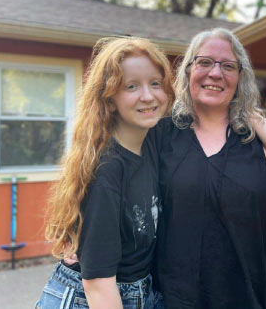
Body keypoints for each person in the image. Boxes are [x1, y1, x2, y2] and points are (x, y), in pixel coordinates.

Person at [153, 28, 266, 309]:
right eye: (204, 62)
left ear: (240, 78)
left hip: (253, 299)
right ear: (188, 70)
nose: (215, 73)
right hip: (172, 300)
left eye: (228, 66)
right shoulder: (161, 136)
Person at [36, 37, 174, 309]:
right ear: (109, 99)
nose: (148, 95)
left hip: (133, 290)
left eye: (155, 83)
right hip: (91, 297)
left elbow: (198, 116)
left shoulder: (151, 141)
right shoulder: (107, 171)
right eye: (131, 86)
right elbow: (98, 284)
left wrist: (258, 123)